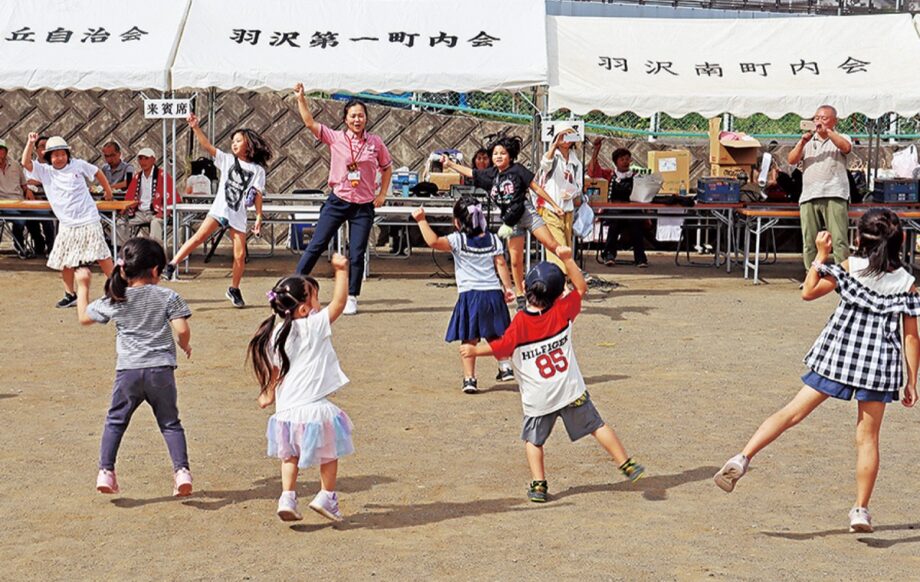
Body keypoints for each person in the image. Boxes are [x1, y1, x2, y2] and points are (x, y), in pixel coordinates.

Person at [714, 210, 919, 533]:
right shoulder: (906, 284)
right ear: (901, 241)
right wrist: (912, 380)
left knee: (792, 412)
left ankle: (743, 456)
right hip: (878, 364)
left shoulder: (850, 268)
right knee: (868, 439)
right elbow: (911, 335)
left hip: (838, 355)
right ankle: (860, 510)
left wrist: (820, 256)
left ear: (858, 239)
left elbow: (808, 291)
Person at [460, 247, 646, 502]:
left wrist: (474, 350)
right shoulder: (563, 311)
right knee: (597, 426)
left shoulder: (521, 324)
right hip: (570, 390)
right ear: (559, 294)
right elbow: (581, 288)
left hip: (539, 397)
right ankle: (626, 464)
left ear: (525, 286)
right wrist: (568, 259)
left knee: (533, 441)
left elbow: (502, 348)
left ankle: (539, 485)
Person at [74, 238, 194, 497]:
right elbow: (182, 329)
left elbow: (84, 317)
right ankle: (182, 471)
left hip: (128, 371)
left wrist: (82, 286)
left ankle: (106, 472)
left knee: (115, 421)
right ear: (154, 271)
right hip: (161, 370)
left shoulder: (116, 297)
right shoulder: (168, 296)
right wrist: (184, 345)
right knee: (170, 423)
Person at [247, 255, 354, 522]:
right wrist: (341, 271)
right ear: (304, 309)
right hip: (315, 409)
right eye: (315, 299)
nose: (319, 305)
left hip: (286, 411)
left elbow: (275, 371)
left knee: (289, 456)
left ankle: (287, 497)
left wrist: (269, 393)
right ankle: (326, 496)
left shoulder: (274, 332)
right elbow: (340, 304)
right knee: (330, 453)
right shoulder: (313, 326)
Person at [293, 84, 393, 316]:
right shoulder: (335, 138)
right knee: (317, 244)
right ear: (346, 119)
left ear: (366, 118)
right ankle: (294, 285)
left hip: (363, 205)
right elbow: (310, 123)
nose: (357, 119)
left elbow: (387, 168)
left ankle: (352, 296)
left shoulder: (375, 143)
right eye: (353, 116)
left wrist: (382, 194)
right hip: (338, 200)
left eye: (361, 115)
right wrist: (301, 99)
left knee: (357, 252)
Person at [442, 136, 566, 311]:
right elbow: (471, 172)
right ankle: (521, 295)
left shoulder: (518, 170)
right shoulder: (490, 174)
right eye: (495, 153)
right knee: (515, 261)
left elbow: (536, 187)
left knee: (552, 244)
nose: (498, 156)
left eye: (503, 153)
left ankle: (570, 279)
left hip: (526, 213)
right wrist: (450, 164)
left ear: (510, 155)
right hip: (510, 221)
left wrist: (554, 205)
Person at [163, 113, 269, 308]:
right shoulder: (227, 160)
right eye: (233, 141)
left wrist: (259, 216)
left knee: (239, 255)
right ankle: (172, 264)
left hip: (238, 214)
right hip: (220, 209)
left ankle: (234, 289)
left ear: (249, 144)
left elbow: (257, 194)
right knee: (199, 238)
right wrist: (195, 127)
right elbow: (207, 147)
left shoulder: (258, 171)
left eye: (239, 141)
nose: (234, 144)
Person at [412, 197, 515, 394]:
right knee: (494, 332)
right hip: (493, 293)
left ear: (457, 222)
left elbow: (433, 241)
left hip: (470, 295)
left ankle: (470, 379)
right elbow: (501, 263)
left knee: (470, 337)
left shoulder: (457, 240)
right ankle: (505, 366)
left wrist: (421, 220)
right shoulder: (494, 239)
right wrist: (508, 288)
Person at [21, 133, 114, 308]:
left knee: (102, 255)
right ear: (48, 157)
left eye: (63, 154)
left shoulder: (78, 165)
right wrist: (30, 142)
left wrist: (108, 191)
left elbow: (97, 172)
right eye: (55, 155)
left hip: (88, 218)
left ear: (67, 154)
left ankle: (119, 290)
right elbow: (25, 163)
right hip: (67, 223)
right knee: (66, 260)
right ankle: (70, 294)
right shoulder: (45, 171)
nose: (60, 158)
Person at [788, 105, 853, 271]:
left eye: (824, 118)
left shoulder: (841, 137)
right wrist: (802, 141)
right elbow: (792, 160)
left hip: (835, 193)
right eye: (816, 118)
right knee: (809, 241)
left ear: (834, 121)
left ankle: (844, 278)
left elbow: (846, 148)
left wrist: (828, 132)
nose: (819, 121)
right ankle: (812, 276)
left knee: (839, 240)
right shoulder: (808, 140)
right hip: (809, 195)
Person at [587, 139, 648, 268]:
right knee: (614, 222)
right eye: (622, 159)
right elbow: (592, 172)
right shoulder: (609, 174)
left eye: (627, 159)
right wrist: (596, 151)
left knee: (636, 223)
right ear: (616, 162)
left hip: (632, 209)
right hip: (613, 209)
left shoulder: (637, 175)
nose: (626, 162)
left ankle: (640, 258)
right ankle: (609, 254)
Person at [538, 128, 583, 270]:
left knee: (566, 247)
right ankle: (561, 280)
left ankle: (563, 279)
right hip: (551, 208)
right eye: (562, 135)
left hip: (567, 209)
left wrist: (572, 192)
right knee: (558, 246)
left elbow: (579, 185)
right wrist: (553, 146)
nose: (566, 138)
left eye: (569, 135)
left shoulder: (576, 162)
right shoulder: (553, 156)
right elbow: (545, 165)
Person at [117, 148, 178, 244]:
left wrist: (165, 211)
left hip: (156, 212)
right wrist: (124, 209)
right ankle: (123, 250)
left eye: (146, 158)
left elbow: (171, 196)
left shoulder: (163, 175)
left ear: (153, 160)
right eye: (140, 159)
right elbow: (130, 196)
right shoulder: (137, 176)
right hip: (139, 212)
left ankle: (154, 254)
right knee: (119, 222)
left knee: (155, 223)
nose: (143, 161)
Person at [0, 138, 46, 258]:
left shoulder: (15, 165)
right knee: (20, 220)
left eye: (1, 150)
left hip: (21, 202)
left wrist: (27, 190)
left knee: (45, 215)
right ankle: (19, 246)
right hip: (4, 205)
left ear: (6, 152)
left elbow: (24, 184)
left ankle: (46, 248)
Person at [24, 135, 56, 253]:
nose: (44, 149)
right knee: (29, 218)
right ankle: (39, 243)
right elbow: (26, 183)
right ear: (36, 149)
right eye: (42, 146)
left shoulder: (56, 164)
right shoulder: (32, 165)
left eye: (47, 146)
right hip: (35, 202)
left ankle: (52, 246)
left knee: (47, 219)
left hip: (54, 201)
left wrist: (38, 182)